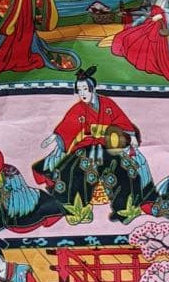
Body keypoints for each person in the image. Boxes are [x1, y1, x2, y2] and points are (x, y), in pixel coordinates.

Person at [32, 67, 155, 223]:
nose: (82, 93)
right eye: (79, 90)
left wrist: (131, 136)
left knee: (123, 170)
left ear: (93, 88)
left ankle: (125, 210)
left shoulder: (108, 104)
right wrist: (56, 136)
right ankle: (80, 212)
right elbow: (67, 125)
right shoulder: (78, 108)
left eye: (85, 89)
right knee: (72, 171)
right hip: (86, 147)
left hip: (108, 145)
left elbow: (122, 121)